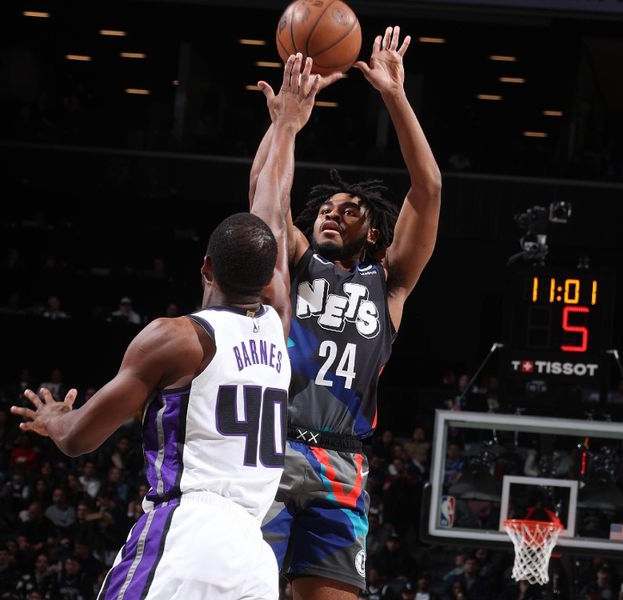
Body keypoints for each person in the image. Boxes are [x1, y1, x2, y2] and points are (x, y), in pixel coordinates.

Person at [10, 52, 322, 600]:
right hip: (253, 557)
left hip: (187, 535)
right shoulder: (278, 323)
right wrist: (288, 127)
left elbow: (81, 440)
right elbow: (271, 207)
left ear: (205, 267)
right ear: (272, 272)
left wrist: (57, 418)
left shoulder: (177, 338)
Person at [253, 25, 442, 598]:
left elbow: (428, 188)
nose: (332, 214)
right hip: (272, 449)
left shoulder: (389, 287)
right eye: (326, 207)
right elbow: (265, 195)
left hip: (343, 465)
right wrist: (284, 122)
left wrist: (395, 95)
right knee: (246, 587)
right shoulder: (294, 262)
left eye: (350, 210)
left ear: (377, 233)